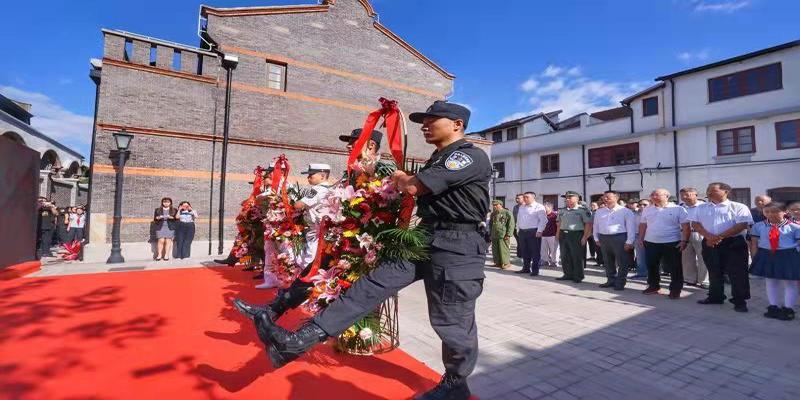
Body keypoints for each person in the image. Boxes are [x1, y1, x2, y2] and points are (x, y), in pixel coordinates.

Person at [242, 101, 489, 400]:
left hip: (458, 245)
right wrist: (402, 181)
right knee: (370, 286)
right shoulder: (439, 157)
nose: (424, 125)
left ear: (456, 124)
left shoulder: (467, 157)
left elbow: (413, 187)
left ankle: (455, 383)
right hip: (424, 236)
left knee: (451, 318)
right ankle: (298, 341)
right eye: (423, 121)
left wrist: (400, 178)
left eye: (431, 120)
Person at [689, 182, 753, 312]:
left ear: (726, 192)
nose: (709, 192)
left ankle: (739, 301)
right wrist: (708, 237)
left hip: (733, 243)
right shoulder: (701, 208)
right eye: (708, 190)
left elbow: (741, 225)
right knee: (714, 271)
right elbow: (695, 224)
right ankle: (716, 296)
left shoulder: (738, 206)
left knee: (737, 273)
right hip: (709, 242)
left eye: (713, 190)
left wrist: (718, 237)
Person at [749, 202, 800, 320]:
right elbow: (754, 243)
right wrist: (755, 257)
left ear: (785, 212)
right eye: (767, 212)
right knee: (771, 281)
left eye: (775, 211)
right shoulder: (759, 226)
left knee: (790, 282)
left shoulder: (794, 227)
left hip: (788, 255)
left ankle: (788, 309)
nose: (771, 214)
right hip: (767, 254)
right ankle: (774, 306)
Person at [638, 189, 689, 298]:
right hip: (651, 242)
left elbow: (685, 226)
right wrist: (641, 239)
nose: (653, 196)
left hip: (672, 242)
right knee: (651, 265)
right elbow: (643, 225)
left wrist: (684, 240)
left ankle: (675, 289)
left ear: (667, 196)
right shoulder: (647, 209)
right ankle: (653, 286)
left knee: (674, 267)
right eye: (652, 194)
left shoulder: (678, 209)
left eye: (656, 194)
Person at [593, 191, 636, 290]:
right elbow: (596, 226)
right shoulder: (600, 211)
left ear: (616, 198)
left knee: (622, 261)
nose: (605, 199)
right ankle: (611, 280)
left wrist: (629, 241)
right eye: (604, 197)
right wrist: (596, 238)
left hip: (619, 237)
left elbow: (630, 228)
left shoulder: (625, 211)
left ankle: (620, 282)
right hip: (604, 238)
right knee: (608, 261)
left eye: (608, 197)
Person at [556, 191, 593, 283]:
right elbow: (559, 223)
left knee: (577, 256)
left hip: (576, 234)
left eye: (570, 197)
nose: (567, 199)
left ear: (577, 199)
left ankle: (578, 276)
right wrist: (557, 234)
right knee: (565, 256)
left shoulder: (582, 210)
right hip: (563, 234)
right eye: (566, 198)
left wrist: (585, 237)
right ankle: (567, 274)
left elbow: (588, 224)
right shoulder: (562, 210)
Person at [679, 187, 708, 288]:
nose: (684, 197)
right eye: (682, 195)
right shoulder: (681, 207)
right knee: (686, 258)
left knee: (703, 257)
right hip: (684, 233)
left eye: (687, 194)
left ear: (695, 194)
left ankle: (704, 281)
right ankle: (690, 279)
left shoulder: (704, 206)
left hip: (700, 233)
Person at [515, 191, 547, 275]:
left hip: (533, 232)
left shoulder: (539, 207)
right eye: (524, 197)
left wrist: (540, 230)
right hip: (522, 232)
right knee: (524, 251)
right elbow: (519, 219)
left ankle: (535, 270)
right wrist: (518, 229)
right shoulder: (522, 206)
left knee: (535, 252)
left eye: (527, 197)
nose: (524, 198)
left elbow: (543, 220)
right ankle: (526, 268)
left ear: (533, 197)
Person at [489, 200, 514, 269]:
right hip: (494, 234)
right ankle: (498, 262)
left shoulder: (507, 212)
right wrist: (490, 233)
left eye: (496, 205)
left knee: (503, 249)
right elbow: (491, 224)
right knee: (495, 249)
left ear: (501, 204)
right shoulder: (493, 214)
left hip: (503, 234)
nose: (494, 206)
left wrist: (508, 234)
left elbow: (511, 224)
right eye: (493, 205)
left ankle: (506, 263)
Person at [540, 202, 559, 268]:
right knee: (544, 249)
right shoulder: (542, 215)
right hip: (544, 235)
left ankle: (554, 262)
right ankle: (545, 261)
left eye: (545, 207)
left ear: (550, 207)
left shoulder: (554, 215)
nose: (543, 209)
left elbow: (558, 225)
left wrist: (557, 234)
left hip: (552, 235)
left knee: (554, 250)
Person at [586, 202, 603, 266]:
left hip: (597, 232)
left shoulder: (597, 212)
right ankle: (597, 259)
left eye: (594, 205)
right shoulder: (591, 212)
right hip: (592, 231)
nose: (592, 206)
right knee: (594, 246)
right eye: (591, 205)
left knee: (598, 247)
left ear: (597, 206)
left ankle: (601, 261)